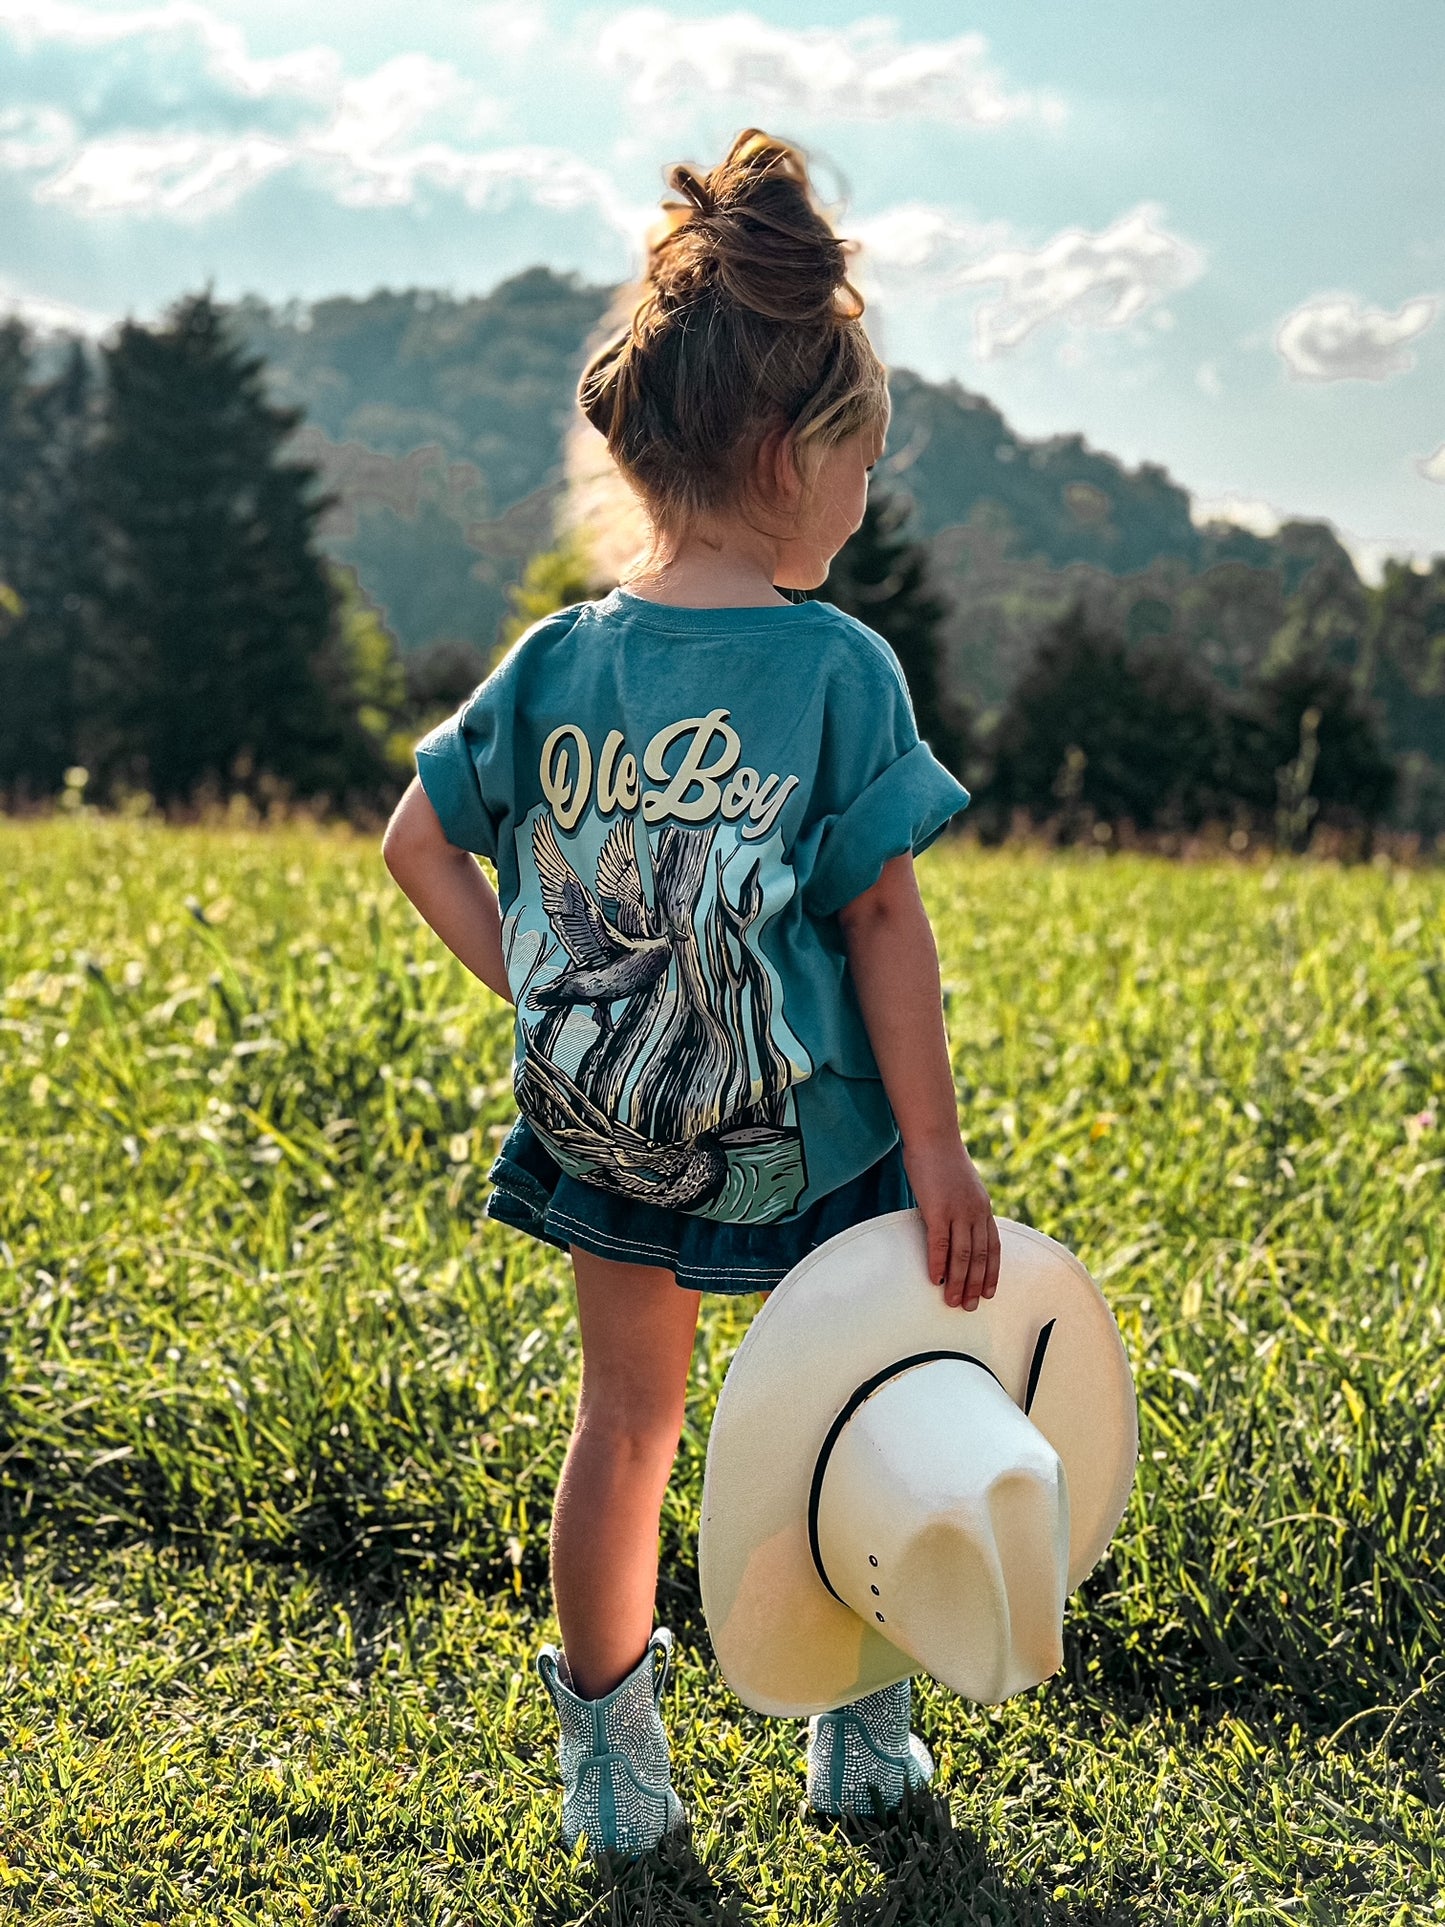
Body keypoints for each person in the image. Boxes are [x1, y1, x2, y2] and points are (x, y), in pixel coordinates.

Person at [382, 128, 1002, 1855]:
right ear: (784, 455)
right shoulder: (834, 670)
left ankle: (609, 1773)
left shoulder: (557, 656)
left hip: (608, 1133)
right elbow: (883, 926)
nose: (869, 497)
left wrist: (547, 1001)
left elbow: (416, 844)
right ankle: (857, 1740)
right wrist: (940, 1162)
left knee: (625, 1424)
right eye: (864, 462)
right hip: (810, 1142)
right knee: (852, 1416)